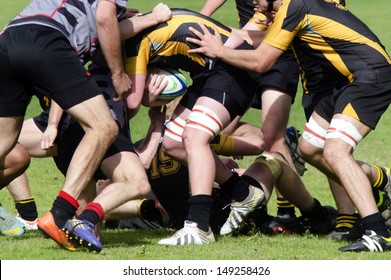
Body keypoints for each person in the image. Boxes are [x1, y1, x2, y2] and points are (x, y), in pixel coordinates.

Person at [187, 0, 391, 252]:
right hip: (344, 81)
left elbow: (261, 62)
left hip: (369, 75)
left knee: (335, 151)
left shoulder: (295, 6)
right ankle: (382, 179)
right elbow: (245, 33)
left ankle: (377, 233)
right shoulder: (281, 8)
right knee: (309, 149)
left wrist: (218, 51)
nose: (252, 2)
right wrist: (201, 27)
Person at [0, 2, 173, 251]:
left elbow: (106, 22)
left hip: (9, 40)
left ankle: (78, 217)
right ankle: (60, 214)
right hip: (47, 40)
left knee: (4, 142)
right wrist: (118, 73)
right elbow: (104, 19)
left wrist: (133, 17)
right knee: (104, 127)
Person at [122, 8, 266, 245]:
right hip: (210, 73)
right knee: (172, 143)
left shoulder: (134, 44)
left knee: (194, 136)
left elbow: (134, 102)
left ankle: (198, 227)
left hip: (234, 68)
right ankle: (242, 192)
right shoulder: (139, 34)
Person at [200, 0, 303, 234]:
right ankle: (281, 144)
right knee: (220, 131)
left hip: (279, 53)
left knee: (272, 137)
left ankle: (287, 211)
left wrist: (218, 39)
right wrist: (202, 19)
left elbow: (260, 25)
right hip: (245, 51)